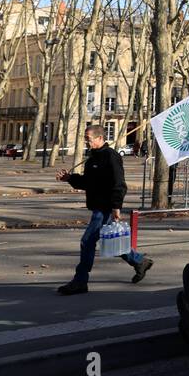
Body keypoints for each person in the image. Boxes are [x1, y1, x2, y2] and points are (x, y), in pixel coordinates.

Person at [55, 125, 152, 295]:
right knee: (110, 242)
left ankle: (80, 281)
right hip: (97, 205)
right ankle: (139, 261)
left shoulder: (111, 156)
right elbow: (88, 182)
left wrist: (116, 206)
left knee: (87, 241)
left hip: (106, 207)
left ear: (100, 138)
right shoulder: (93, 157)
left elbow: (119, 183)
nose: (86, 141)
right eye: (85, 138)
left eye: (89, 138)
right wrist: (70, 178)